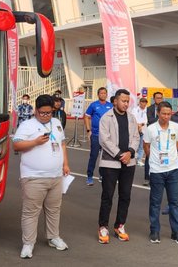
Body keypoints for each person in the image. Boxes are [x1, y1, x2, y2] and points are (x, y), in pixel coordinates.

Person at [12, 94, 71, 259]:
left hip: (56, 176)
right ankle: (28, 243)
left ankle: (53, 237)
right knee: (31, 211)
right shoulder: (27, 125)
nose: (45, 116)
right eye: (42, 113)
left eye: (49, 112)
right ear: (36, 110)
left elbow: (63, 144)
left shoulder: (57, 123)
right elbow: (16, 145)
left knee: (54, 209)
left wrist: (65, 164)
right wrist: (35, 142)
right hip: (33, 177)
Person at [97, 89, 140, 244]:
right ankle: (103, 226)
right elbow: (104, 140)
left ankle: (120, 225)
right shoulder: (106, 117)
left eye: (128, 101)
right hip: (110, 162)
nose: (126, 104)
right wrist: (120, 154)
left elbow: (136, 137)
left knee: (125, 195)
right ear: (115, 101)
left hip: (129, 162)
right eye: (123, 101)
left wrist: (130, 152)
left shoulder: (132, 118)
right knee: (108, 195)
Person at [143, 101, 178, 244]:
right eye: (163, 114)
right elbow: (146, 146)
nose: (166, 116)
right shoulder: (151, 129)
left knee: (174, 202)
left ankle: (176, 232)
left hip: (173, 169)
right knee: (155, 202)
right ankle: (154, 230)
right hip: (156, 170)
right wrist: (154, 160)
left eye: (169, 114)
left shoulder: (176, 127)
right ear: (158, 113)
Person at [85, 87, 113, 186]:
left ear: (106, 95)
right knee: (94, 156)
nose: (103, 95)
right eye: (101, 93)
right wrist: (89, 130)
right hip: (96, 135)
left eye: (105, 93)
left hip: (106, 136)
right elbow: (87, 116)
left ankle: (102, 175)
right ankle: (89, 176)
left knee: (105, 157)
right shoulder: (93, 105)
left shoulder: (111, 106)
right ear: (98, 94)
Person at [144, 92, 164, 185]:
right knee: (149, 156)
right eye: (157, 98)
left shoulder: (165, 108)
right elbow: (150, 120)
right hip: (151, 135)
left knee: (161, 155)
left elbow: (167, 120)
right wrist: (161, 118)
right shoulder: (150, 108)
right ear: (154, 99)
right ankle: (147, 178)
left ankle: (159, 177)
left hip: (162, 135)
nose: (159, 100)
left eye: (160, 98)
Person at [131, 97, 148, 165]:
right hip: (135, 129)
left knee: (141, 146)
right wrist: (138, 125)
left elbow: (146, 120)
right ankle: (132, 158)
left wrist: (141, 125)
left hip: (143, 130)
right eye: (142, 102)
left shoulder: (146, 110)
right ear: (140, 103)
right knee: (134, 144)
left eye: (145, 103)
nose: (143, 104)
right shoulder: (135, 110)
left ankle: (139, 160)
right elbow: (133, 118)